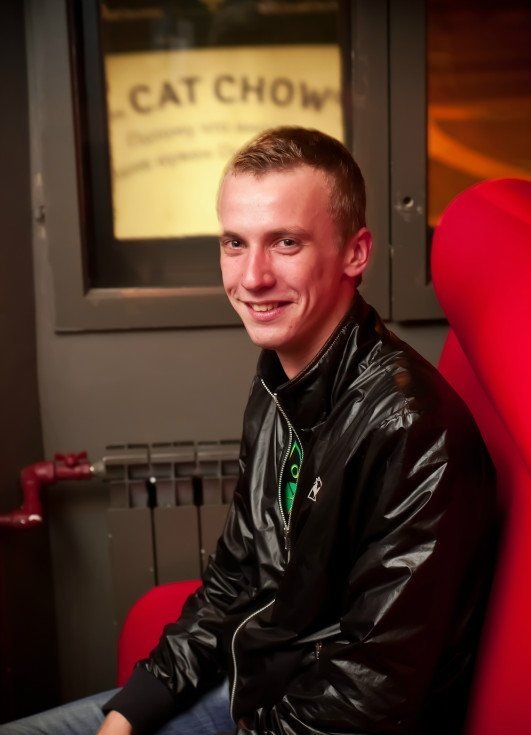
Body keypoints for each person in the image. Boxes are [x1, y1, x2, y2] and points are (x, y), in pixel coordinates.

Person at [0, 127, 498, 735]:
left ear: (356, 253)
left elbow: (370, 694)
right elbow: (238, 575)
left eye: (286, 242)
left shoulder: (412, 429)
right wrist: (127, 716)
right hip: (256, 691)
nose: (252, 277)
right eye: (235, 243)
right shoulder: (280, 376)